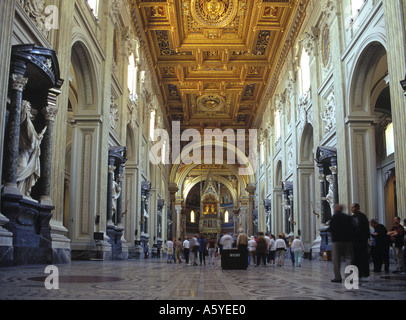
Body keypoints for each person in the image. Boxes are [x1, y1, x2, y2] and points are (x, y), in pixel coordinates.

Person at [329, 204, 353, 283]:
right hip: (348, 240)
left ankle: (337, 277)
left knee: (336, 260)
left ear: (337, 209)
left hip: (337, 241)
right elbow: (352, 228)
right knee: (349, 258)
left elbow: (331, 228)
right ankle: (349, 277)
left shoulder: (334, 217)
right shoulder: (348, 217)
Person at [350, 203, 371, 281]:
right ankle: (357, 273)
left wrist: (368, 238)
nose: (351, 209)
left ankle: (365, 273)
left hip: (362, 240)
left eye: (352, 207)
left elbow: (366, 228)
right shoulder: (351, 218)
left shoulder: (362, 217)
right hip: (354, 241)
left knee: (363, 257)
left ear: (357, 208)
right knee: (355, 258)